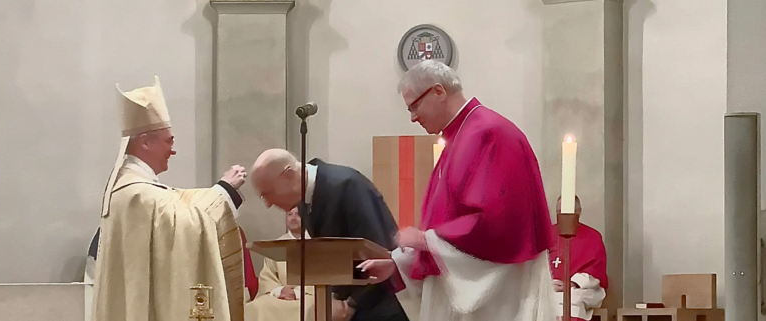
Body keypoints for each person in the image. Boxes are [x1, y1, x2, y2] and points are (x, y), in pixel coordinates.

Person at [357, 60, 557, 321]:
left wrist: (426, 240)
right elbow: (447, 225)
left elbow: (498, 226)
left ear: (438, 92)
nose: (413, 117)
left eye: (414, 106)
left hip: (499, 300)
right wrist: (398, 263)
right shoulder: (461, 136)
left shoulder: (490, 133)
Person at [92, 76, 249, 321]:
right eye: (169, 141)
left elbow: (174, 206)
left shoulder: (138, 188)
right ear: (145, 142)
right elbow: (183, 221)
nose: (173, 150)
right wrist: (224, 191)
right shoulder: (134, 193)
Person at [250, 148, 409, 321]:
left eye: (268, 193)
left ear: (288, 175)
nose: (267, 204)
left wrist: (351, 304)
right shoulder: (305, 199)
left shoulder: (347, 185)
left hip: (380, 308)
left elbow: (379, 251)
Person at [245, 207, 316, 321]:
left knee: (308, 308)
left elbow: (323, 275)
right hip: (279, 295)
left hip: (308, 295)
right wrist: (280, 291)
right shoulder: (277, 245)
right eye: (289, 214)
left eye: (298, 214)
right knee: (257, 306)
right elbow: (267, 276)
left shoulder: (317, 245)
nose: (293, 218)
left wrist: (296, 293)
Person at [549, 196, 607, 321]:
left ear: (578, 212)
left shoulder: (592, 236)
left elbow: (596, 271)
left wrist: (572, 283)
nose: (562, 217)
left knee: (571, 299)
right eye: (559, 212)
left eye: (566, 213)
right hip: (551, 288)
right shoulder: (548, 234)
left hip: (584, 288)